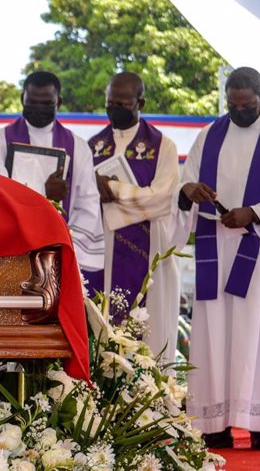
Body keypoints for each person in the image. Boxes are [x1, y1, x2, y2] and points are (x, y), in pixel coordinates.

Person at [173, 67, 260, 449]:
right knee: (214, 334)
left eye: (246, 106)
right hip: (215, 246)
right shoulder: (210, 134)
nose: (238, 112)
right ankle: (214, 424)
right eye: (231, 105)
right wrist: (189, 191)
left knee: (258, 335)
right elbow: (186, 184)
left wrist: (254, 213)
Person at [87, 72, 180, 362]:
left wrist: (114, 191)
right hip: (101, 250)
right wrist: (94, 189)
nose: (115, 109)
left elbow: (162, 198)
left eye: (123, 103)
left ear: (141, 102)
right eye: (109, 103)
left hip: (146, 246)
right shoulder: (91, 145)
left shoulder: (163, 146)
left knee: (145, 332)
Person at [0, 71, 104, 273]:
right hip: (10, 249)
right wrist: (44, 194)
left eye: (46, 104)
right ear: (22, 99)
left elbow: (87, 203)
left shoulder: (77, 147)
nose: (38, 109)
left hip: (59, 253)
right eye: (32, 103)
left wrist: (64, 246)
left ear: (59, 102)